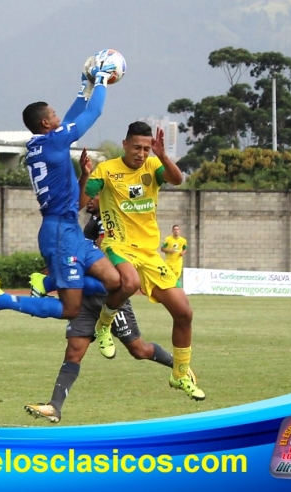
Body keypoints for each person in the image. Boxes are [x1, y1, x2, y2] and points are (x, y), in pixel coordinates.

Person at [0, 60, 129, 360]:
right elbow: (92, 114)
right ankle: (0, 299)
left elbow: (71, 118)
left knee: (114, 282)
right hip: (59, 233)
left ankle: (46, 282)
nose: (59, 116)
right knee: (70, 309)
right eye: (53, 114)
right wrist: (100, 81)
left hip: (68, 228)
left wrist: (83, 89)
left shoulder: (40, 144)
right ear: (46, 123)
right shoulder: (55, 140)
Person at [24, 194, 195, 423]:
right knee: (74, 350)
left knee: (139, 350)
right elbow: (78, 255)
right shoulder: (92, 226)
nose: (89, 201)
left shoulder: (123, 222)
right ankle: (54, 407)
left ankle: (179, 366)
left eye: (94, 197)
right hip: (86, 297)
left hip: (114, 299)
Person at [84, 121, 206, 401]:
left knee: (184, 313)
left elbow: (177, 180)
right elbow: (84, 198)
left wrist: (162, 156)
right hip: (119, 244)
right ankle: (104, 324)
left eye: (146, 148)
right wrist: (85, 176)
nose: (141, 153)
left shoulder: (153, 166)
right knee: (129, 281)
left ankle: (179, 374)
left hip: (150, 252)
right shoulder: (108, 169)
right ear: (125, 144)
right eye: (137, 147)